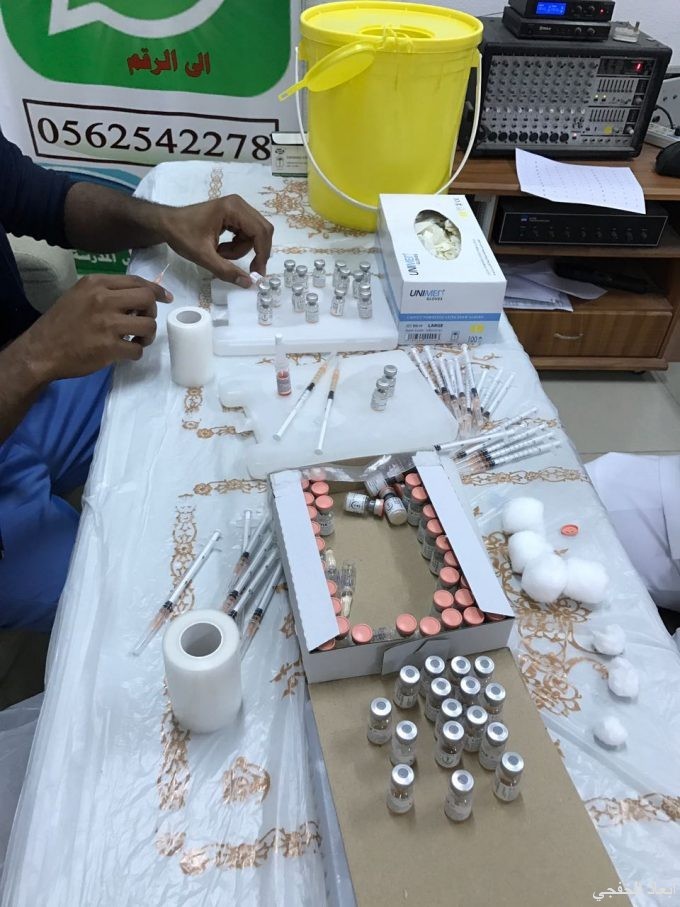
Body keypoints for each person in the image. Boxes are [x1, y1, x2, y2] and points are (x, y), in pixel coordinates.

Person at [0, 129, 274, 632]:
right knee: (140, 603)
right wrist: (35, 357)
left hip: (29, 386)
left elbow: (43, 200)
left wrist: (165, 221)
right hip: (20, 375)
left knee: (183, 388)